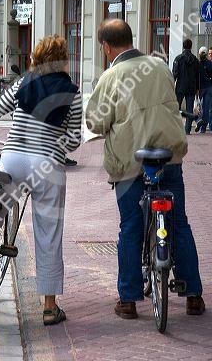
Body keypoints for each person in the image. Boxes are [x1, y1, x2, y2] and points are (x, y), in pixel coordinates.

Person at [0, 35, 82, 325]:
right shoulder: (73, 92)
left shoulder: (23, 82)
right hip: (47, 166)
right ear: (63, 60)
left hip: (12, 160)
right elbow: (75, 140)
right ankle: (50, 307)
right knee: (48, 234)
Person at [86, 19, 205, 320]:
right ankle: (193, 296)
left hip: (130, 164)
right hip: (168, 158)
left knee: (130, 227)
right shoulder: (159, 66)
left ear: (106, 47)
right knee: (179, 224)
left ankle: (128, 300)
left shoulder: (111, 76)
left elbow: (95, 123)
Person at [172, 39, 199, 135]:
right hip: (191, 87)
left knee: (175, 108)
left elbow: (174, 74)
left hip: (180, 87)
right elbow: (197, 76)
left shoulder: (178, 58)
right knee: (189, 109)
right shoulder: (195, 60)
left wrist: (172, 85)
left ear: (183, 46)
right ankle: (187, 130)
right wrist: (197, 88)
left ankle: (175, 129)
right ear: (191, 47)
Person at [196, 47, 212, 133]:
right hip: (208, 87)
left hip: (200, 88)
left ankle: (198, 121)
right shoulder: (210, 63)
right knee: (206, 108)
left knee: (197, 107)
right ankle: (203, 129)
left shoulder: (197, 64)